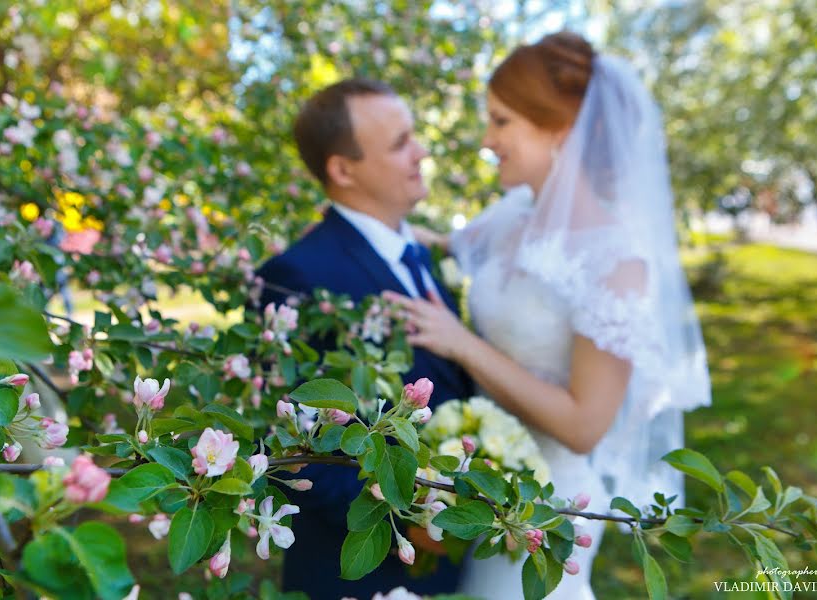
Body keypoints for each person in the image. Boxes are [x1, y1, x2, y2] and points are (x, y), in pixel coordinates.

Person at [383, 31, 711, 599]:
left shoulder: (617, 260)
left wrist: (462, 344)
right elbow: (441, 242)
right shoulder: (511, 215)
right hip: (485, 483)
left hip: (551, 504)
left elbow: (586, 425)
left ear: (560, 127)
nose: (488, 140)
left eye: (501, 122)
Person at [254, 78, 473, 599]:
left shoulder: (419, 254)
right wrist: (416, 519)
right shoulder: (296, 275)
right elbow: (300, 445)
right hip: (365, 571)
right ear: (343, 169)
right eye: (400, 143)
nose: (421, 152)